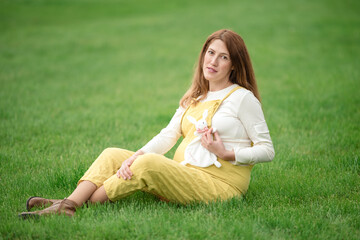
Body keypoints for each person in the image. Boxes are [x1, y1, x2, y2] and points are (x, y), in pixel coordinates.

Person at [19, 29, 275, 219]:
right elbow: (168, 135)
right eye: (210, 53)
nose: (213, 62)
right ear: (203, 55)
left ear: (233, 65)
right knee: (113, 155)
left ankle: (70, 206)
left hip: (221, 186)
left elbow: (267, 149)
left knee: (149, 164)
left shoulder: (243, 98)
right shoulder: (196, 95)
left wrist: (226, 153)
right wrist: (134, 157)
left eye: (223, 57)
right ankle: (69, 203)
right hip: (186, 174)